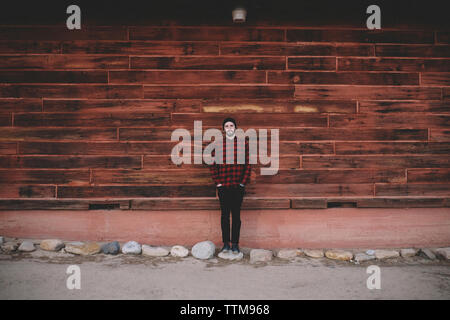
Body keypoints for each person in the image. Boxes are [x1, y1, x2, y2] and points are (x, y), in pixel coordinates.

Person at [209, 117, 251, 254]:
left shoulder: (243, 144)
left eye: (231, 125)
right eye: (226, 126)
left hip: (237, 187)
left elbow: (248, 165)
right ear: (223, 129)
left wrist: (242, 183)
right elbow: (213, 165)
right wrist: (218, 183)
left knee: (236, 216)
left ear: (235, 128)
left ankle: (235, 244)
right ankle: (226, 244)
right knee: (225, 216)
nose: (229, 128)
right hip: (224, 187)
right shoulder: (218, 144)